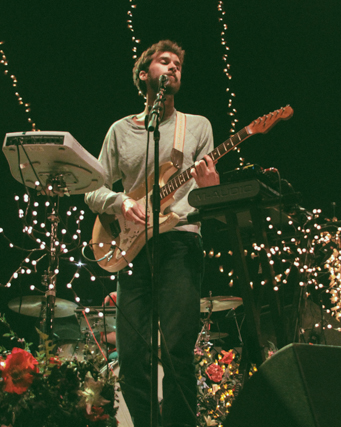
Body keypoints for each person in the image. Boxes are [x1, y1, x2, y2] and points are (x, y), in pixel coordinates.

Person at [85, 39, 219, 427]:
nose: (174, 67)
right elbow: (92, 190)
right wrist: (120, 203)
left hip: (181, 240)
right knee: (130, 358)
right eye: (165, 61)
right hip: (131, 248)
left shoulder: (197, 127)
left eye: (178, 63)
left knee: (178, 352)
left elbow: (208, 198)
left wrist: (209, 185)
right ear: (145, 75)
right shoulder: (119, 131)